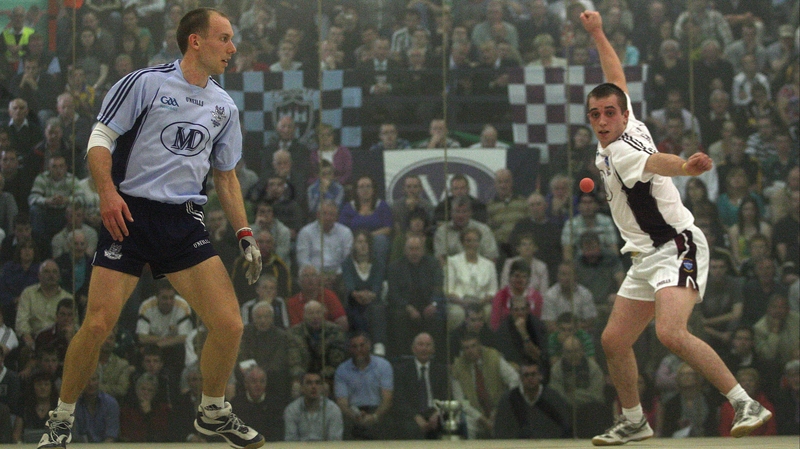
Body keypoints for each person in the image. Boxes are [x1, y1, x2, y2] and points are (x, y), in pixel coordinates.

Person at [37, 8, 266, 449]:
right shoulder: (145, 82)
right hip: (129, 214)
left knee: (230, 324)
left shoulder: (224, 106)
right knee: (99, 323)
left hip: (182, 221)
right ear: (195, 42)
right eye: (224, 38)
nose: (232, 48)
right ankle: (61, 421)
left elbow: (226, 177)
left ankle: (212, 411)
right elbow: (100, 138)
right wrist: (106, 193)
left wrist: (245, 234)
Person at [581, 11, 771, 446]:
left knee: (670, 332)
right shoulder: (618, 128)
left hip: (678, 245)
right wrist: (598, 33)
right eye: (596, 114)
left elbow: (655, 162)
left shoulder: (627, 150)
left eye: (610, 113)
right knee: (613, 341)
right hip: (645, 256)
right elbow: (615, 75)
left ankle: (745, 401)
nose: (603, 120)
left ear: (624, 115)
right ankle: (634, 421)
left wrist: (685, 166)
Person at [334, 332, 393, 440]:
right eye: (355, 346)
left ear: (369, 345)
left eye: (362, 345)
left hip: (378, 412)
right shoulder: (342, 370)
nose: (359, 349)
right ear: (350, 349)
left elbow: (387, 399)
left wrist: (375, 417)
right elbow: (342, 403)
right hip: (353, 414)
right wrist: (354, 415)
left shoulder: (383, 366)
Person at [493, 361, 572, 439]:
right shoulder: (508, 399)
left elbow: (564, 428)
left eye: (533, 374)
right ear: (520, 378)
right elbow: (500, 431)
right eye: (526, 375)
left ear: (540, 376)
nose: (530, 378)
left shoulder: (553, 398)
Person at [392, 332, 448, 439]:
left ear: (433, 350)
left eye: (428, 345)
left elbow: (447, 396)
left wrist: (437, 413)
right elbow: (399, 399)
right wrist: (416, 417)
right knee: (409, 428)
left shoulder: (441, 370)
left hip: (436, 412)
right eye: (420, 345)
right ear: (413, 349)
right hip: (412, 414)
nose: (424, 349)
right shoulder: (401, 370)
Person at [283, 371, 343, 441]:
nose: (314, 387)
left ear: (322, 387)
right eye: (309, 383)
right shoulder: (292, 410)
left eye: (317, 383)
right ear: (302, 388)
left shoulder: (333, 410)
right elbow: (291, 441)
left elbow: (335, 442)